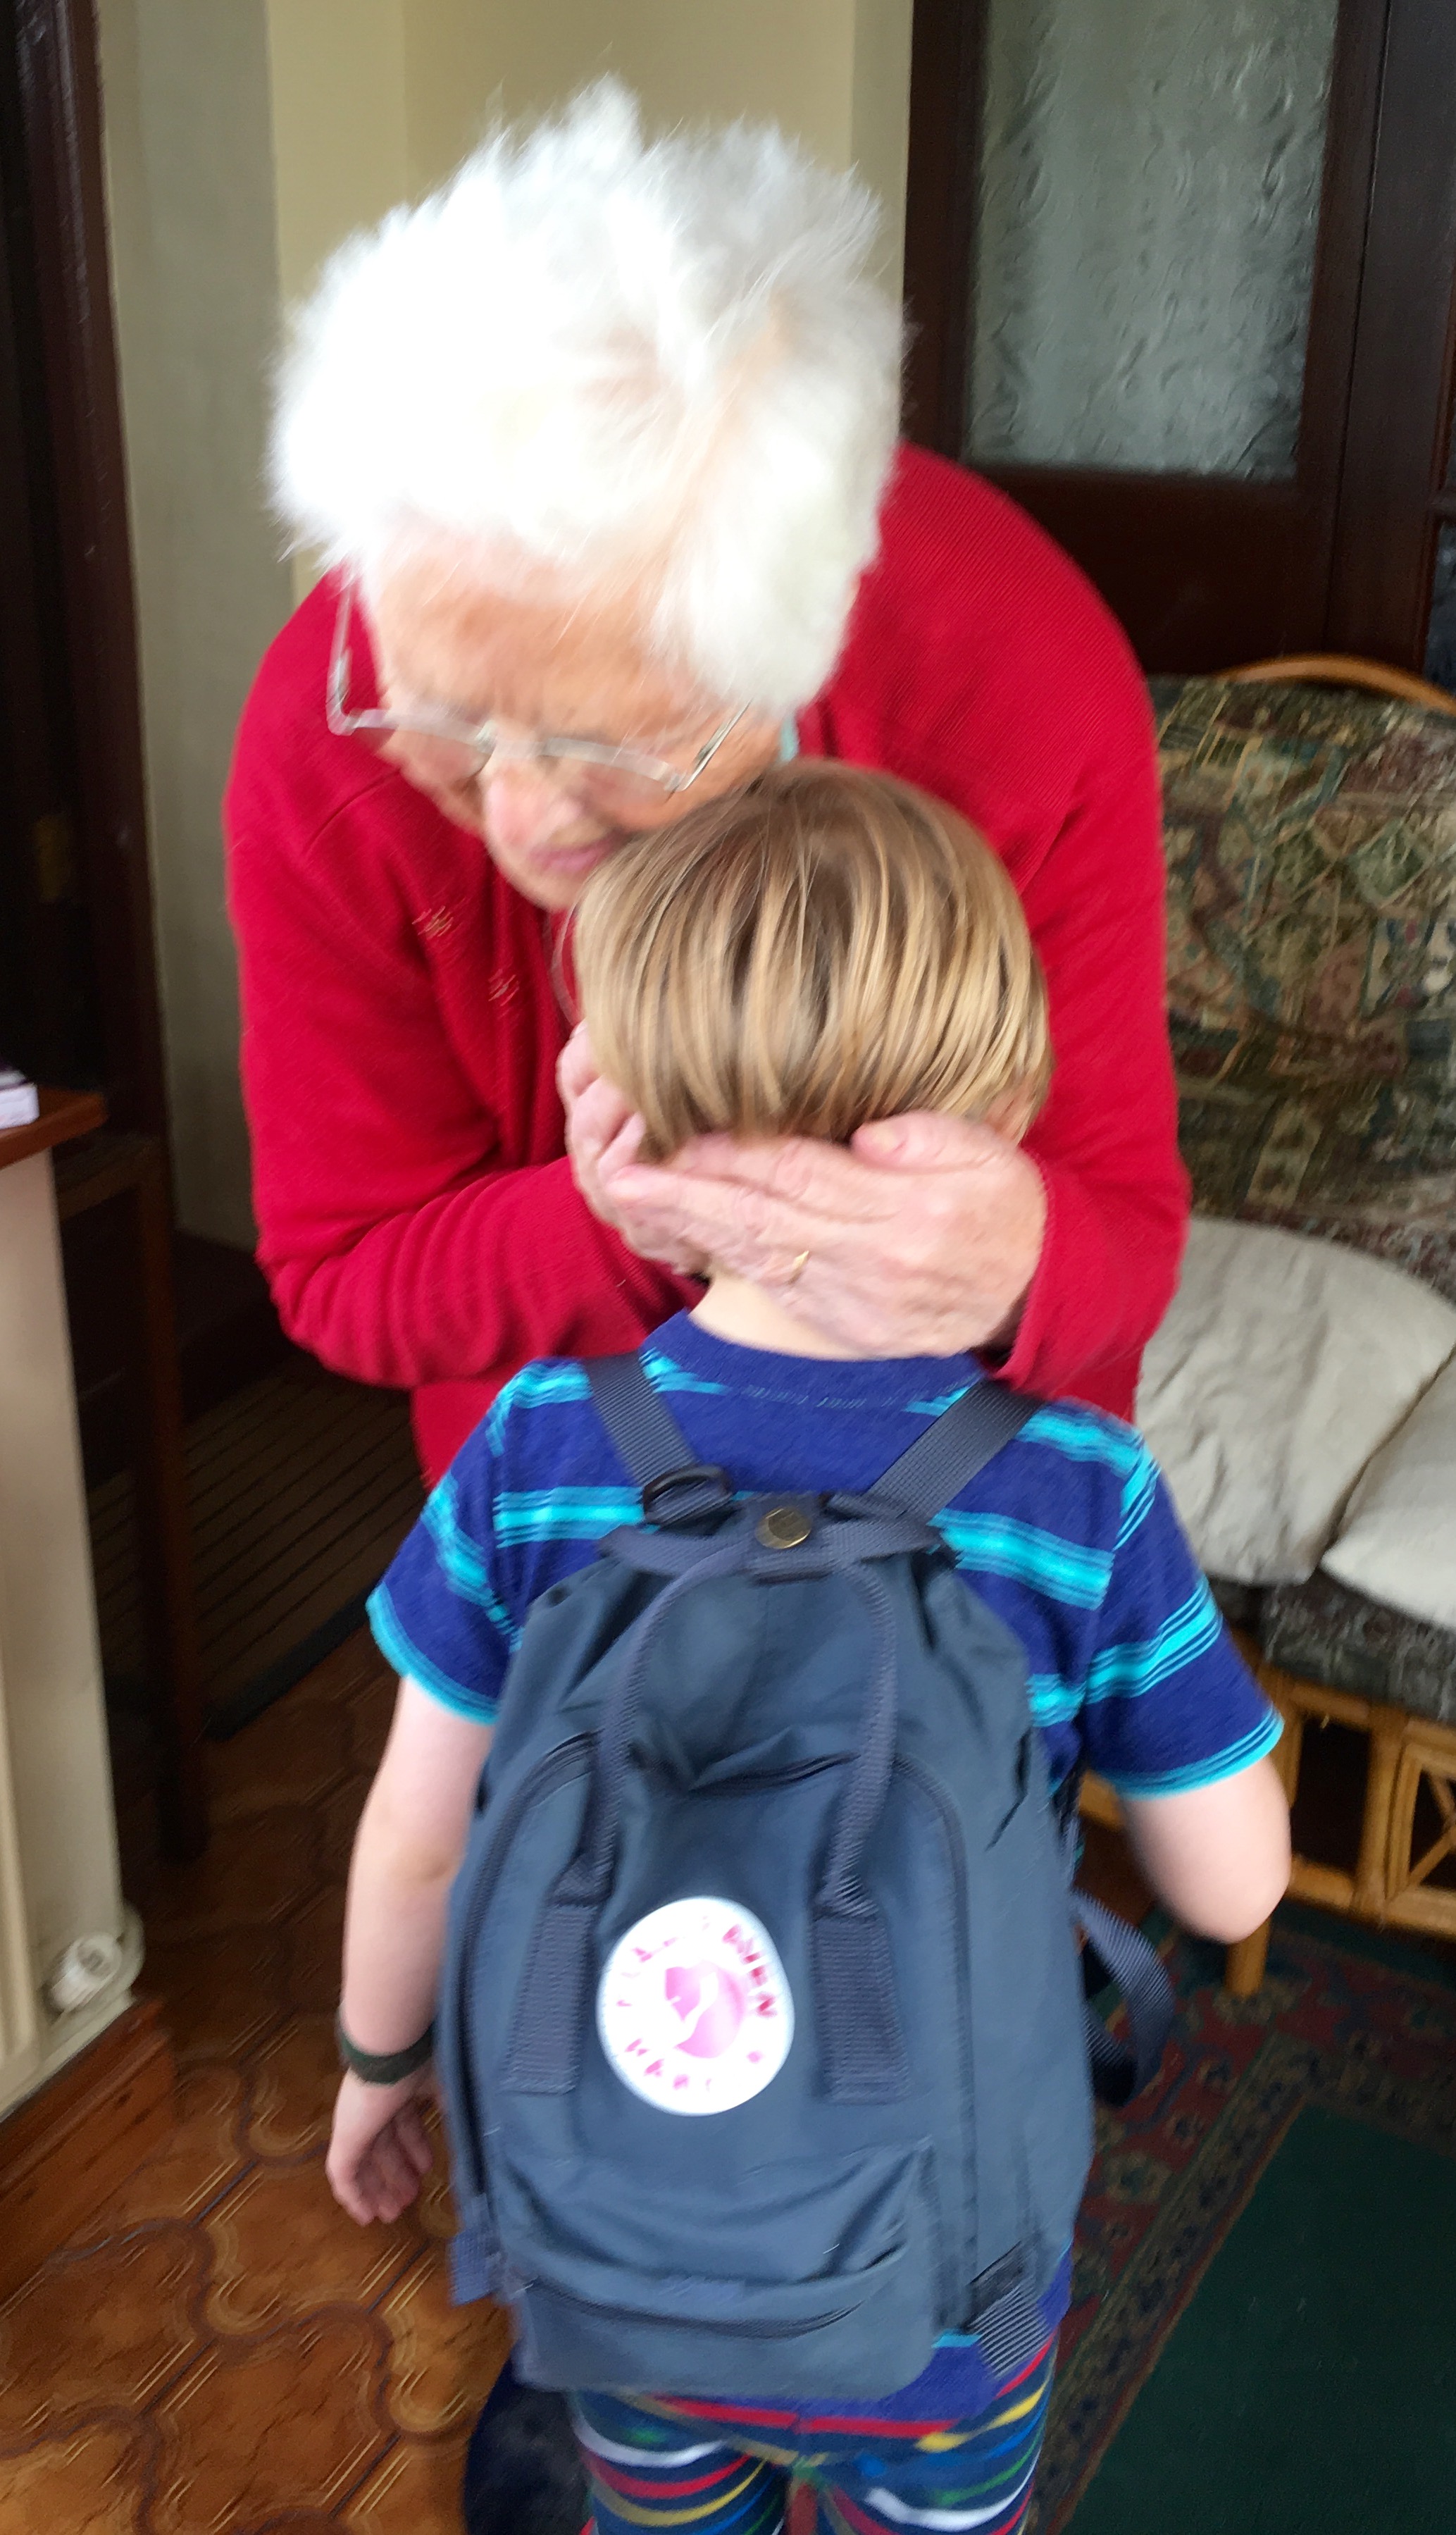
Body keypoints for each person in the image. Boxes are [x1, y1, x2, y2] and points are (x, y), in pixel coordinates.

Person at [325, 764, 1290, 2535]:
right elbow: (1231, 1886)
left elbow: (421, 1836)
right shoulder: (1073, 1485)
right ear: (997, 1107)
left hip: (616, 2268)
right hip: (941, 2302)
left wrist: (377, 2064)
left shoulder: (534, 1442)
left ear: (625, 1106)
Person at [225, 84, 1188, 1513]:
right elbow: (345, 1272)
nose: (518, 819)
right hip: (575, 1539)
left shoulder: (1020, 684)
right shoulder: (325, 727)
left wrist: (1011, 1261)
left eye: (609, 747)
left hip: (956, 1534)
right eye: (446, 721)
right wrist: (630, 1218)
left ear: (797, 653)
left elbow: (1120, 1238)